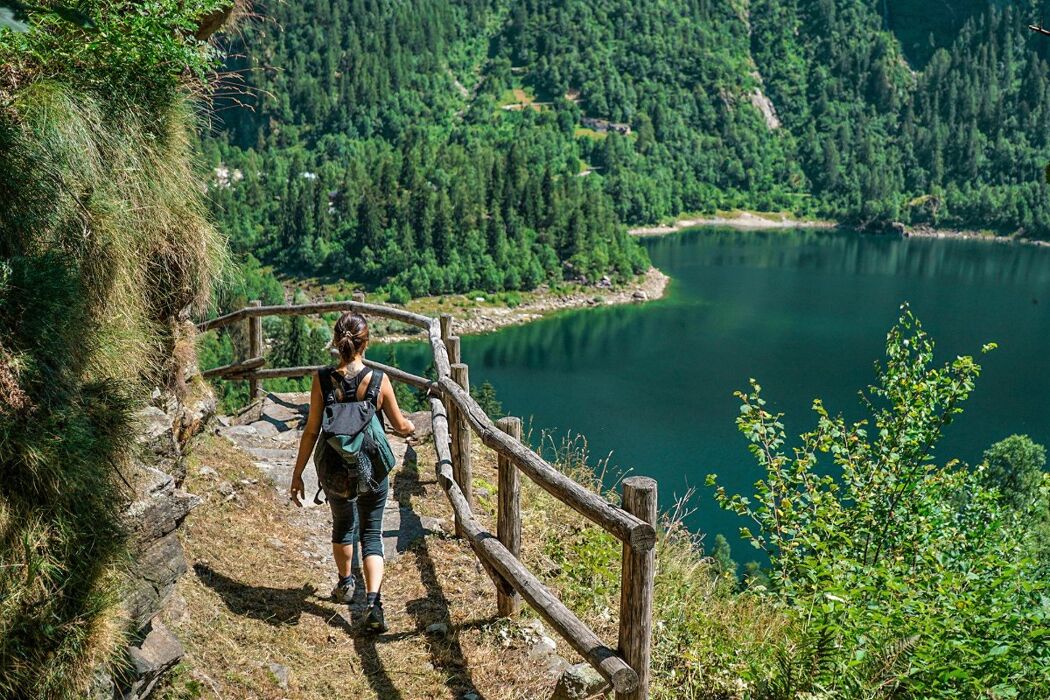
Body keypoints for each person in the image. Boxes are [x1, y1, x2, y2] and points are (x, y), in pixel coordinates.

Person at [288, 312, 415, 633]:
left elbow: (311, 430)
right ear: (365, 343)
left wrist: (298, 473)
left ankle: (345, 584)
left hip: (333, 469)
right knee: (371, 533)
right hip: (371, 467)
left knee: (343, 525)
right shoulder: (378, 380)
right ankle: (373, 603)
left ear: (336, 342)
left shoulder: (321, 380)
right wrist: (410, 426)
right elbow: (400, 426)